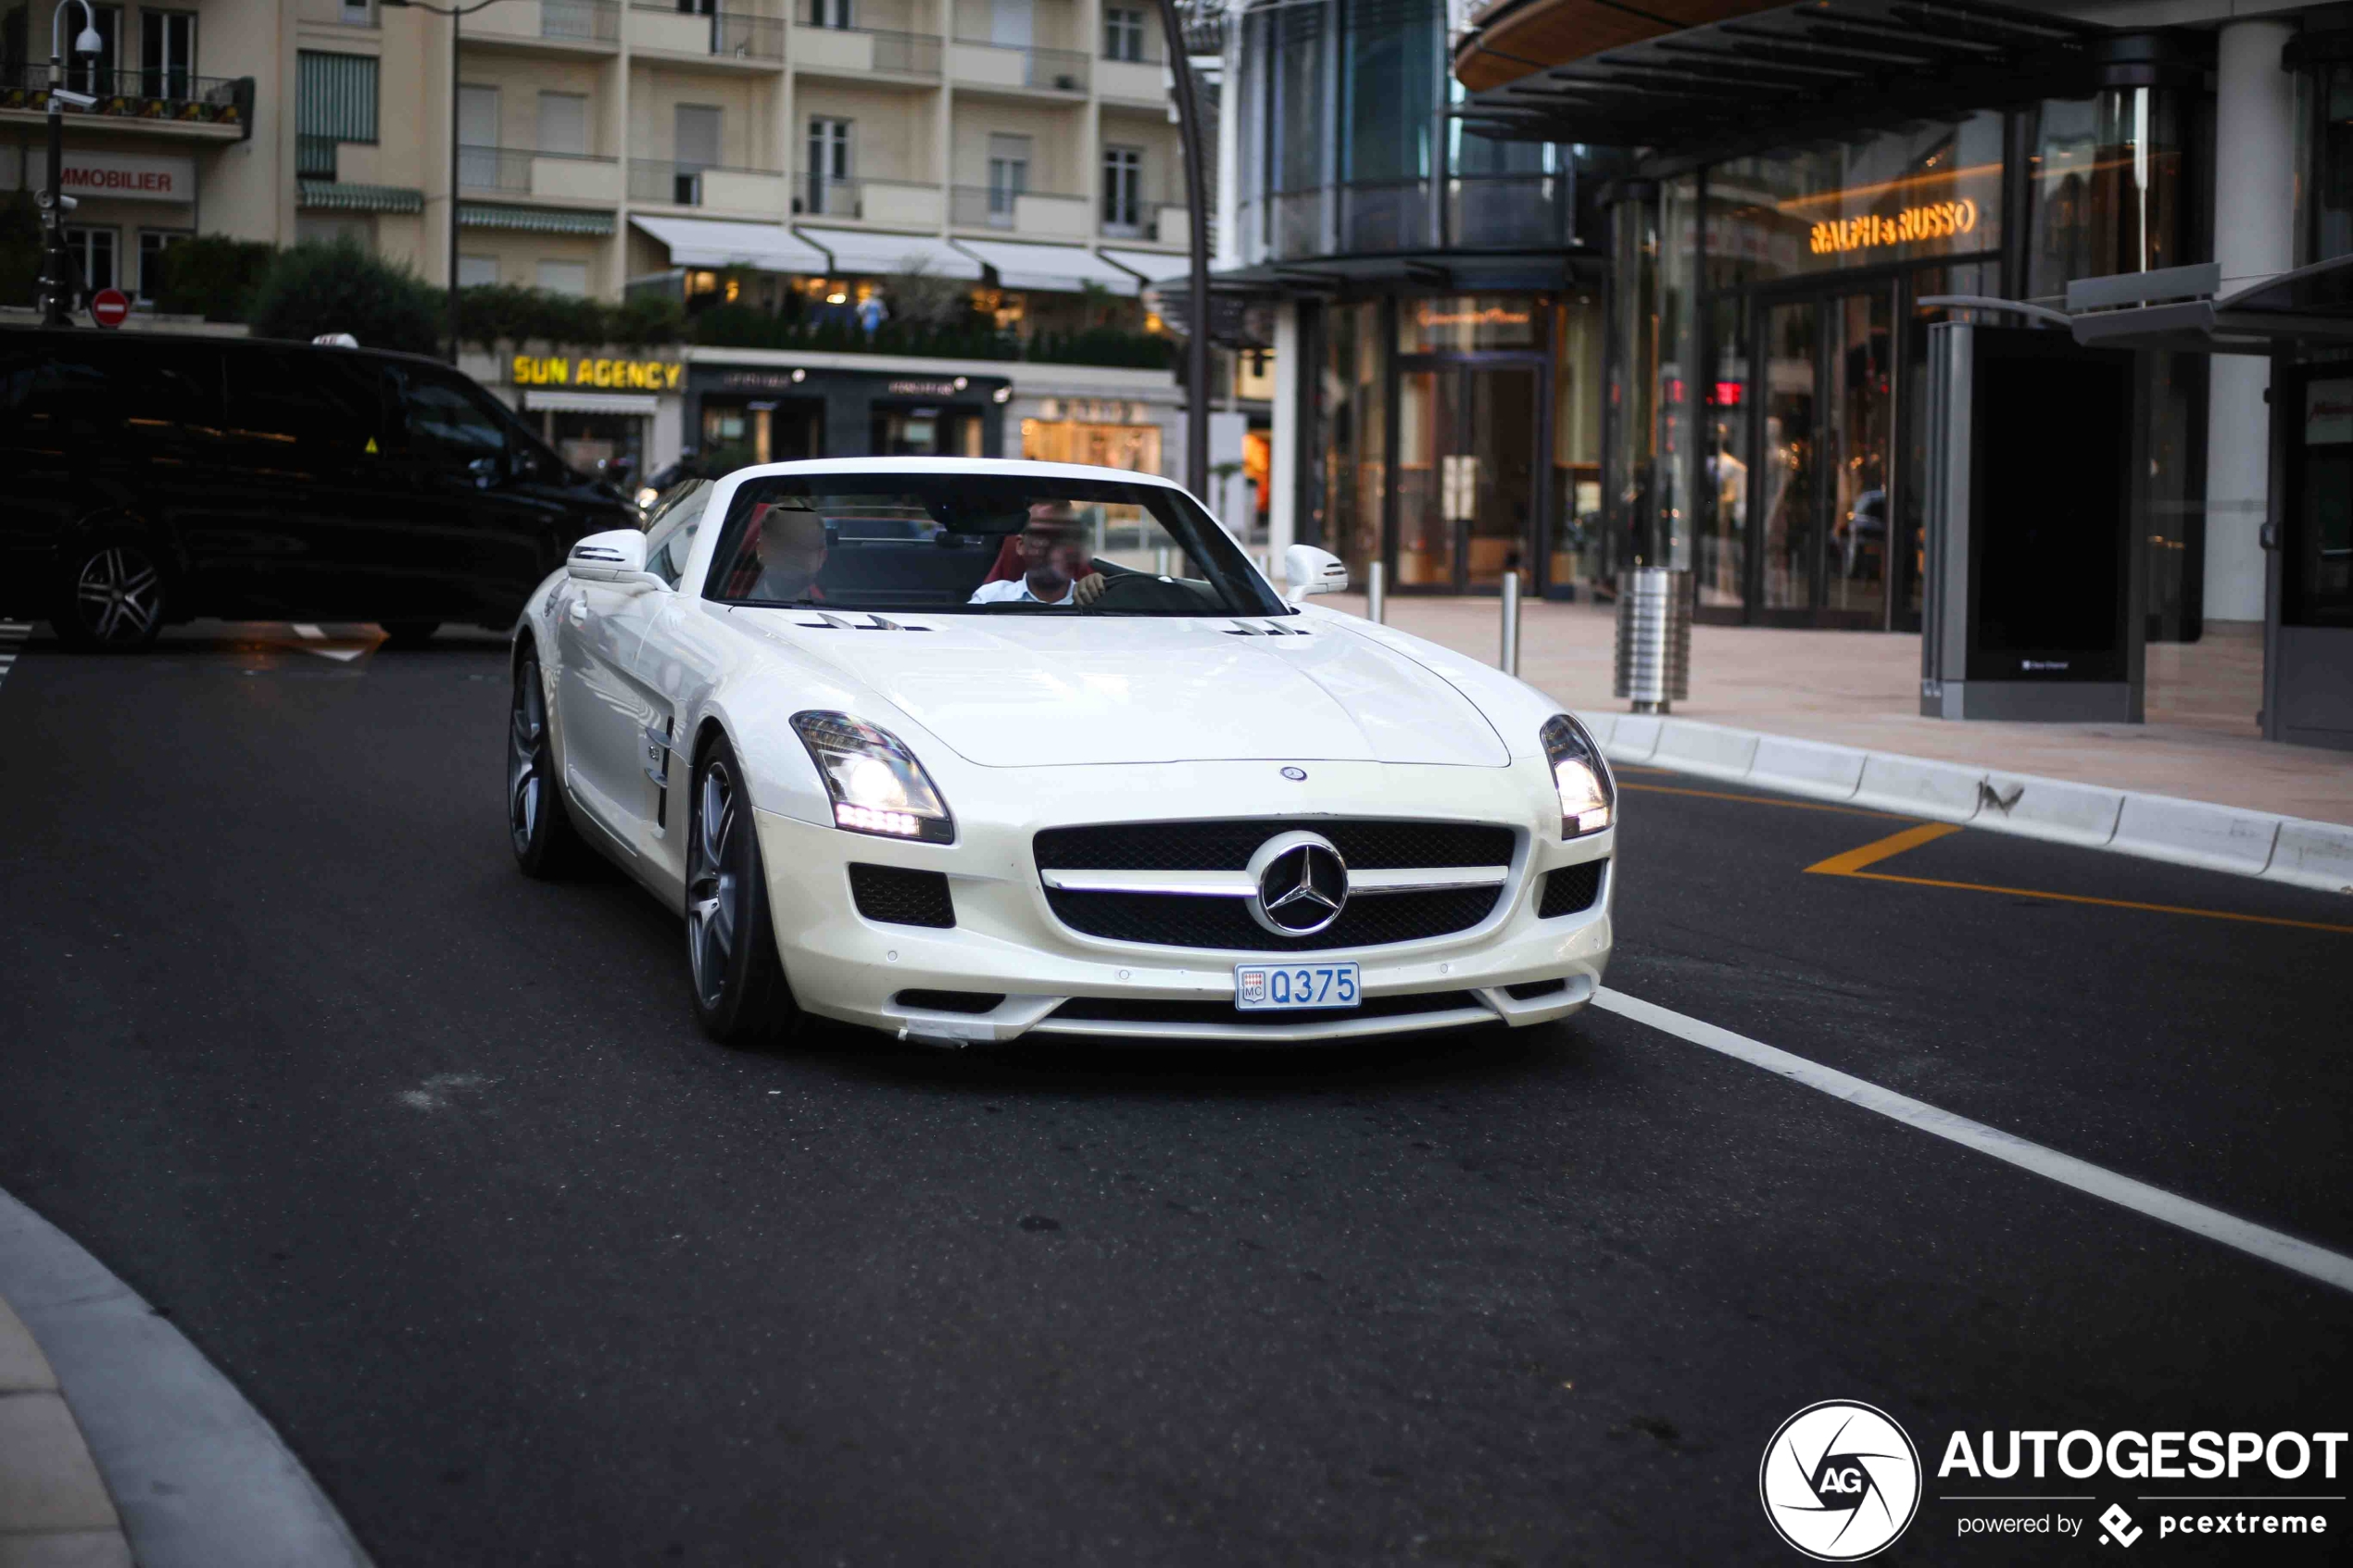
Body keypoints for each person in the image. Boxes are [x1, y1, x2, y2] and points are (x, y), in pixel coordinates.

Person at [968, 506, 1109, 606]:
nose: (1052, 545)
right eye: (1041, 534)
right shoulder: (991, 598)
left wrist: (1104, 590)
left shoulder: (1096, 598)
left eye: (1063, 535)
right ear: (1020, 545)